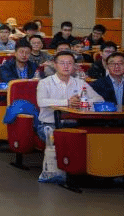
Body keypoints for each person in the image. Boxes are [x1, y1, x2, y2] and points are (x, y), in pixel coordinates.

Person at [36, 51, 104, 183]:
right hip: (48, 125)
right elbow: (42, 102)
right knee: (57, 137)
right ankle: (56, 174)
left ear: (74, 66)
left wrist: (82, 102)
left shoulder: (79, 83)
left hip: (74, 123)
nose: (66, 66)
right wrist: (67, 102)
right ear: (55, 65)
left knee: (94, 136)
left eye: (70, 63)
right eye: (62, 63)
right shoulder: (45, 82)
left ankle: (91, 172)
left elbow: (99, 99)